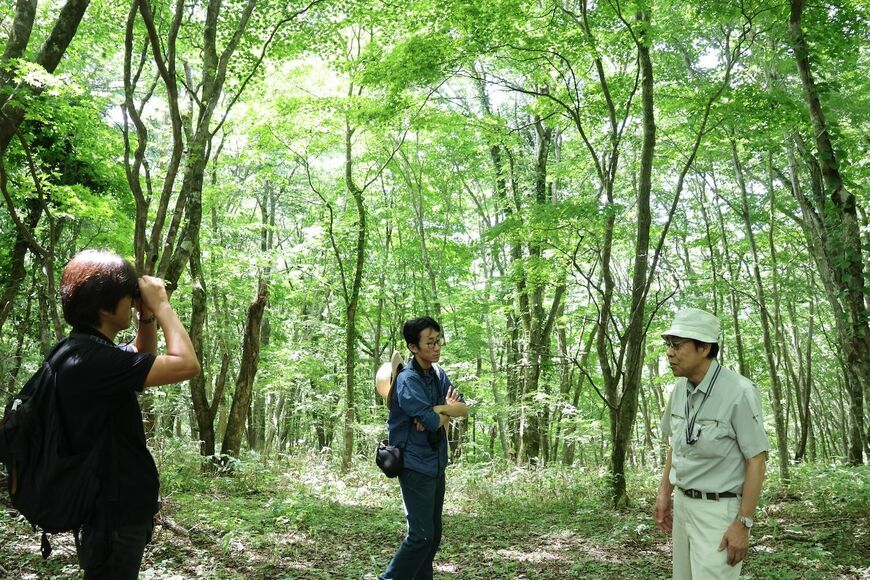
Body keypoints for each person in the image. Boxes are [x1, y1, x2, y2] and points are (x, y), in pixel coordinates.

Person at [55, 250, 200, 579]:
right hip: (113, 516)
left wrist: (145, 317)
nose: (134, 302)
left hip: (109, 511)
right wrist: (163, 306)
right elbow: (187, 364)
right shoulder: (93, 361)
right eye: (128, 297)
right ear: (106, 308)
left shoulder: (80, 351)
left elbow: (140, 355)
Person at [653, 308, 770, 579]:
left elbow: (756, 460)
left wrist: (743, 523)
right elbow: (676, 444)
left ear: (704, 348)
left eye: (678, 345)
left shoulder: (739, 392)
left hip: (719, 511)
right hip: (683, 506)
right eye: (668, 344)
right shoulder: (680, 389)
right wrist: (664, 493)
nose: (670, 352)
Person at [381, 316, 467, 580]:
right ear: (413, 347)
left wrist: (439, 410)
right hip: (414, 464)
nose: (437, 347)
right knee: (421, 536)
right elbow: (431, 423)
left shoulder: (439, 374)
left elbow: (463, 409)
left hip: (437, 463)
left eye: (438, 341)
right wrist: (442, 412)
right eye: (430, 342)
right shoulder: (407, 380)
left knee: (434, 536)